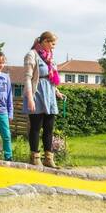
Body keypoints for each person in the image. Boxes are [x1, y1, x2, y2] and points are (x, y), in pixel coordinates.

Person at [23, 31, 64, 168]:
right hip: (37, 94)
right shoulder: (32, 55)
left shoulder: (50, 57)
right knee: (36, 127)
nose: (53, 47)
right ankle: (35, 157)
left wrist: (57, 91)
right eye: (52, 44)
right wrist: (30, 98)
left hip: (50, 94)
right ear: (45, 41)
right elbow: (28, 78)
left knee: (49, 128)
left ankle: (48, 158)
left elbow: (51, 78)